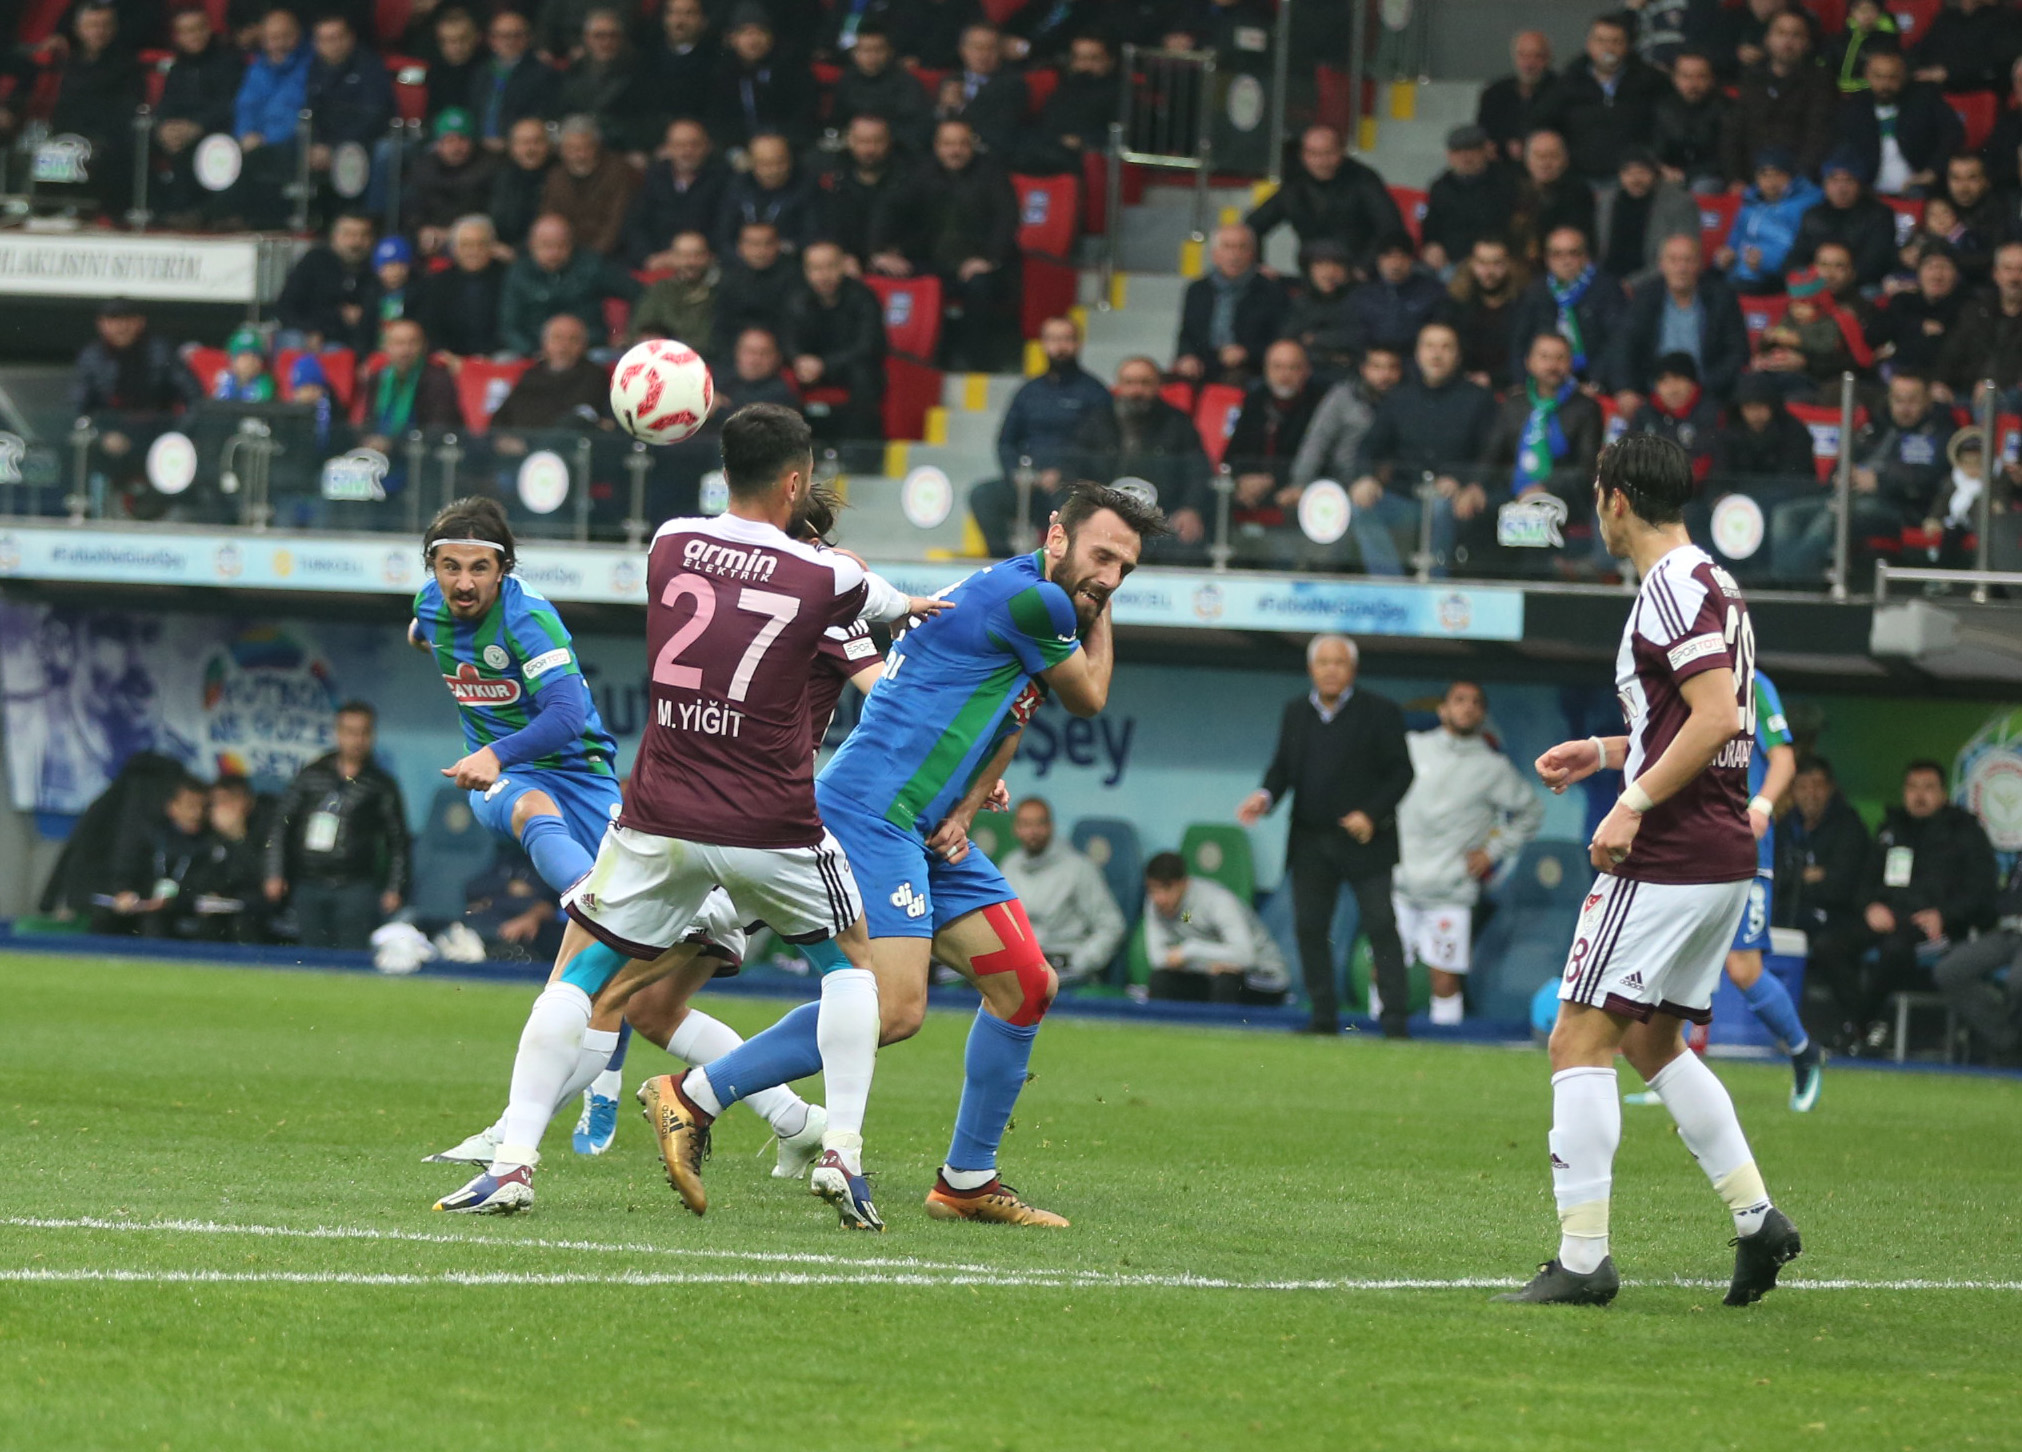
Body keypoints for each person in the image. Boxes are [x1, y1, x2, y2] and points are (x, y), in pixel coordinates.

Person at [433, 404, 936, 1219]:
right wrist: (921, 607)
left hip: (659, 815)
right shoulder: (829, 576)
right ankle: (840, 1150)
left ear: (722, 469)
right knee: (851, 968)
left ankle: (515, 1160)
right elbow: (887, 602)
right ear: (798, 480)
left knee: (581, 975)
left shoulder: (668, 541)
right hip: (772, 822)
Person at [645, 479, 1164, 1230]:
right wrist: (1099, 607)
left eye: (1125, 571)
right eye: (1102, 557)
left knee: (1024, 985)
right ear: (1057, 536)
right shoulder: (1040, 604)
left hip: (920, 827)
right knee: (892, 1009)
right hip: (870, 815)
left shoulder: (1028, 600)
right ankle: (692, 1096)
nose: (1109, 578)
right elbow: (1088, 697)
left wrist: (963, 804)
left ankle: (966, 1180)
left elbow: (1011, 716)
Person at [411, 495, 824, 1167]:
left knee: (649, 1009)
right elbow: (424, 625)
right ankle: (517, 1128)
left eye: (478, 568)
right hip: (514, 782)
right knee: (531, 831)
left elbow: (569, 715)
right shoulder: (430, 606)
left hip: (582, 778)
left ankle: (794, 1117)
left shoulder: (530, 621)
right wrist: (492, 758)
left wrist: (494, 751)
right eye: (448, 567)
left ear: (504, 568)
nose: (461, 583)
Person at [1504, 432, 1801, 1308]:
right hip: (1717, 851)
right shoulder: (1711, 581)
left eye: (1597, 493)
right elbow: (1702, 719)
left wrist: (1631, 805)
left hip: (1669, 849)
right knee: (1650, 1040)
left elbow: (1712, 720)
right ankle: (1757, 1221)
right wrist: (1606, 752)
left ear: (1616, 499)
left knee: (1576, 1038)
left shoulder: (1669, 587)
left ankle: (1585, 1260)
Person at [1236, 634, 1413, 1038]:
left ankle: (1395, 1021)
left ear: (1352, 669)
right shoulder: (1296, 712)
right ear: (1311, 669)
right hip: (1311, 841)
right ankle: (1323, 1017)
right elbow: (1281, 769)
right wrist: (1264, 798)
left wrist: (1371, 813)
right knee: (1310, 929)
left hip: (1368, 842)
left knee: (1381, 926)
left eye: (1339, 662)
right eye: (1323, 662)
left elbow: (1402, 772)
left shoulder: (1380, 711)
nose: (1331, 669)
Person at [1811, 759, 1998, 1056]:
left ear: (1944, 794)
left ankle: (1859, 1027)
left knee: (1895, 949)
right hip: (1887, 916)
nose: (1919, 796)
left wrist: (1944, 915)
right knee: (1827, 945)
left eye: (1928, 788)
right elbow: (1864, 882)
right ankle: (1869, 1026)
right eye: (1912, 787)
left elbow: (1982, 892)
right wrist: (1870, 906)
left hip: (1936, 928)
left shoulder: (1965, 832)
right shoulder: (1892, 828)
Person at [1389, 680, 1542, 1025]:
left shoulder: (1493, 767)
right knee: (1383, 970)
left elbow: (1531, 811)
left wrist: (1492, 852)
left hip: (1451, 891)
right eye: (1459, 700)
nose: (1467, 707)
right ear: (1442, 709)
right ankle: (1370, 1043)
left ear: (1483, 714)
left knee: (1443, 978)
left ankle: (1445, 1048)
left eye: (1475, 702)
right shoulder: (1410, 747)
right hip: (1398, 884)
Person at [1704, 672, 1821, 1110]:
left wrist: (1763, 806)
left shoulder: (1751, 681)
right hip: (1692, 836)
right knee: (1682, 955)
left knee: (1742, 967)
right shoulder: (1684, 670)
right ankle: (1678, 1069)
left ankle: (1802, 1050)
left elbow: (1783, 759)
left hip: (1745, 842)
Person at [867, 118, 1019, 372]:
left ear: (972, 145)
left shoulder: (992, 173)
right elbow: (888, 208)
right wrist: (879, 252)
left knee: (980, 286)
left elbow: (1006, 219)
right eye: (948, 144)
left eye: (961, 144)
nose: (955, 151)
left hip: (978, 262)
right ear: (937, 146)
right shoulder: (920, 172)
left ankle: (977, 366)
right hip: (929, 261)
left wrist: (989, 259)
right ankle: (910, 363)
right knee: (884, 275)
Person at [1771, 369, 1949, 583]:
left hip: (1901, 508)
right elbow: (1843, 461)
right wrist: (1840, 474)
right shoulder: (1875, 426)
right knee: (1785, 515)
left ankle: (1794, 586)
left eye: (1912, 401)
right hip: (1848, 497)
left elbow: (1934, 479)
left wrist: (1879, 481)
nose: (1904, 408)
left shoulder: (1939, 432)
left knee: (1830, 521)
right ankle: (1785, 583)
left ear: (1927, 400)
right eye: (1898, 400)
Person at [1349, 322, 1496, 576]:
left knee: (1439, 506)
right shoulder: (1398, 398)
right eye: (1429, 346)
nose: (1436, 354)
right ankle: (1390, 589)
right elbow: (1369, 447)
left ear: (1458, 355)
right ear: (1418, 354)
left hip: (1452, 501)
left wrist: (1466, 482)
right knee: (1360, 506)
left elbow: (1491, 453)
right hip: (1405, 499)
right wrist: (1365, 478)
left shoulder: (1479, 399)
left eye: (1445, 347)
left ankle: (1436, 587)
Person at [263, 700, 410, 952]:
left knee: (352, 956)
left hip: (356, 886)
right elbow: (281, 825)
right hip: (308, 881)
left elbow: (398, 841)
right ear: (338, 733)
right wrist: (274, 872)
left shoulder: (380, 784)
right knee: (311, 956)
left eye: (364, 732)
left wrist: (394, 888)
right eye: (351, 732)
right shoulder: (312, 775)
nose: (357, 740)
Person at [971, 315, 1113, 555]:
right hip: (1029, 485)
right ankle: (1004, 565)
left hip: (1073, 488)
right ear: (1043, 344)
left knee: (1067, 512)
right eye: (1053, 339)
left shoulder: (1095, 393)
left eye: (1067, 339)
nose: (1060, 347)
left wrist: (1063, 473)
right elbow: (1006, 441)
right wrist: (1016, 473)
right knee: (983, 496)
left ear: (1078, 344)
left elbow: (1102, 448)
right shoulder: (1028, 391)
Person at [1073, 355, 1212, 546]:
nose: (1137, 390)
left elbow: (1198, 471)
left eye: (1145, 383)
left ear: (1158, 385)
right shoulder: (1096, 421)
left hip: (1164, 516)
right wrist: (1084, 510)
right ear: (1118, 386)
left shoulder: (1178, 423)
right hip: (1103, 514)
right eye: (1129, 383)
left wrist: (1190, 508)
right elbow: (1074, 467)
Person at [1605, 234, 1749, 413]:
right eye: (1673, 260)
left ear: (1700, 264)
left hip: (1708, 395)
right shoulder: (1645, 296)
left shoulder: (1722, 297)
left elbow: (1737, 352)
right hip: (1653, 395)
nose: (1681, 268)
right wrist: (1625, 388)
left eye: (1688, 260)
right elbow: (1623, 345)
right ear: (1661, 264)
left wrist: (1702, 388)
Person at [1243, 125, 1405, 273]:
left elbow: (1390, 226)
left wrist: (1365, 267)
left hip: (1356, 273)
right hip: (1311, 274)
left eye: (1328, 153)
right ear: (1303, 155)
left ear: (1342, 151)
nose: (1321, 162)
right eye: (1313, 154)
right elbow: (1253, 224)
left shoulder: (1363, 179)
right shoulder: (1295, 184)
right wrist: (1258, 267)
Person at [1000, 796, 1126, 985]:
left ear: (1051, 826)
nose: (1033, 832)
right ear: (1015, 829)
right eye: (1025, 824)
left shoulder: (1078, 868)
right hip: (1019, 962)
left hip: (1063, 963)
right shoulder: (1008, 866)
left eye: (1040, 824)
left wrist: (1080, 962)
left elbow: (1112, 925)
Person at [1533, 12, 1668, 184]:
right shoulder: (1568, 82)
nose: (1608, 48)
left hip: (1632, 180)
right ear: (1589, 44)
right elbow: (1539, 121)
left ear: (1627, 46)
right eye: (1601, 41)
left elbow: (1666, 125)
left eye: (1615, 41)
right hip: (1579, 179)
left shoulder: (1651, 81)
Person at [1141, 851, 1290, 1006]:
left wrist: (1190, 950)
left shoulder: (1218, 901)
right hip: (1209, 975)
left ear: (1183, 883)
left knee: (1226, 981)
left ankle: (1226, 1030)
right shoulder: (1157, 906)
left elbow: (1245, 956)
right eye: (1153, 890)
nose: (1159, 898)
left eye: (1166, 888)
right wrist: (1209, 962)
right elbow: (1158, 959)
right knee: (1161, 979)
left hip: (1263, 976)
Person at [780, 240, 886, 441]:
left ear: (843, 266)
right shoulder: (796, 298)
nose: (824, 275)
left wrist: (825, 365)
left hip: (850, 366)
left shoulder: (863, 297)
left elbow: (869, 345)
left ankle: (858, 452)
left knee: (864, 376)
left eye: (831, 266)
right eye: (817, 268)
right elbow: (787, 340)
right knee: (779, 382)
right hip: (810, 368)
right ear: (806, 271)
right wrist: (798, 360)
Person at [498, 213, 640, 357]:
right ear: (532, 245)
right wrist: (533, 351)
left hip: (589, 350)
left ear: (571, 244)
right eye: (546, 245)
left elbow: (639, 293)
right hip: (535, 352)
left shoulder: (591, 267)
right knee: (503, 362)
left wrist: (632, 333)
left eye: (561, 245)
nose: (553, 253)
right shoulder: (519, 273)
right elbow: (509, 325)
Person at [1722, 10, 1837, 186]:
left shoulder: (1820, 81)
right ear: (1767, 39)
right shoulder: (1751, 78)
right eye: (1781, 33)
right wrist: (1735, 178)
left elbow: (1818, 136)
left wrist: (1796, 179)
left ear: (1807, 43)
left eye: (1796, 35)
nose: (1788, 41)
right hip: (1751, 176)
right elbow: (1734, 131)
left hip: (1798, 179)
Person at [152, 4, 244, 224]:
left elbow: (229, 104)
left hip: (215, 129)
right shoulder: (177, 67)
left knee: (197, 146)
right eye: (186, 31)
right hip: (179, 130)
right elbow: (166, 103)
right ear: (178, 36)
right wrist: (164, 127)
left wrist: (196, 126)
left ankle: (193, 213)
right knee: (138, 141)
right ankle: (152, 209)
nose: (193, 36)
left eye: (198, 29)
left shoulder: (229, 61)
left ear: (208, 29)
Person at [92, 774, 211, 938]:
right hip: (144, 901)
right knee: (104, 918)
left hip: (181, 907)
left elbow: (204, 882)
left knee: (156, 922)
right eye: (191, 806)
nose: (197, 814)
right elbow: (128, 869)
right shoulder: (151, 836)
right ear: (172, 807)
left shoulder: (210, 842)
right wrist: (125, 891)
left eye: (203, 807)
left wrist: (173, 901)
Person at [1777, 756, 1870, 962]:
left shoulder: (1849, 826)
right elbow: (1774, 880)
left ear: (1831, 788)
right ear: (1792, 791)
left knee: (1828, 945)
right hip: (1787, 915)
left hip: (1836, 918)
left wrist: (1794, 881)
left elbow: (1840, 886)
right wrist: (1806, 876)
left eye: (1818, 785)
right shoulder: (1785, 826)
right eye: (1802, 786)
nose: (1811, 794)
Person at [1508, 226, 1624, 389]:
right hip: (1544, 382)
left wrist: (1595, 382)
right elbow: (1519, 343)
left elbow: (1616, 342)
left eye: (1573, 253)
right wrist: (1521, 383)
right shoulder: (1535, 292)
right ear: (1547, 259)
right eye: (1557, 254)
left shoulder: (1606, 289)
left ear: (1585, 257)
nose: (1566, 261)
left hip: (1594, 381)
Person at [1173, 224, 1288, 386]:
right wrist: (1186, 356)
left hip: (1251, 369)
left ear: (1252, 254)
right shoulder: (1197, 290)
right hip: (1203, 366)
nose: (1235, 255)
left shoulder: (1270, 291)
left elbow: (1280, 340)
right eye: (1227, 247)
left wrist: (1246, 353)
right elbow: (1186, 334)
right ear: (1215, 254)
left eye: (1242, 247)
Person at [1838, 48, 1962, 198]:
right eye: (1878, 76)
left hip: (1919, 190)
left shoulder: (1924, 98)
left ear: (1904, 76)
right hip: (1868, 193)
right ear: (1867, 76)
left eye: (1893, 77)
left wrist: (1932, 171)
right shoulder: (1855, 106)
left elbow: (1954, 133)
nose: (1885, 84)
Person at [1225, 339, 1322, 526]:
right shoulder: (1255, 400)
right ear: (1266, 370)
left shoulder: (1318, 404)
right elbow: (1233, 453)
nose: (1284, 375)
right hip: (1251, 493)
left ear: (1306, 371)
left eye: (1292, 368)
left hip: (1296, 491)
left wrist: (1271, 479)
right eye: (1277, 367)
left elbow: (1317, 458)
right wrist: (1243, 480)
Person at [231, 8, 312, 227]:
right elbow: (245, 106)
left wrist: (267, 139)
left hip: (291, 143)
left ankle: (226, 216)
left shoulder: (310, 66)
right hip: (256, 141)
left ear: (297, 36)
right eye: (271, 38)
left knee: (259, 158)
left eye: (284, 37)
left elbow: (302, 114)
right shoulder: (257, 67)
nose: (278, 44)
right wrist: (246, 133)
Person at [1932, 870, 2022, 1062]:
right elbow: (2006, 897)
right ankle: (2007, 1041)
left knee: (2018, 982)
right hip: (2008, 931)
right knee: (1950, 971)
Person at [706, 2, 816, 149]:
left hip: (785, 147)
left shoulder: (792, 70)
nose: (753, 40)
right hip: (741, 148)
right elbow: (719, 122)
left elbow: (803, 118)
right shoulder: (722, 73)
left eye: (760, 32)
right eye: (745, 32)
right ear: (732, 39)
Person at [625, 119, 731, 269]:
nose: (687, 151)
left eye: (694, 145)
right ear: (668, 148)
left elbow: (726, 226)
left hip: (706, 262)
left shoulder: (724, 177)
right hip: (659, 261)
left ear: (707, 146)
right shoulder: (653, 177)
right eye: (679, 145)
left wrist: (696, 256)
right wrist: (648, 257)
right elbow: (635, 224)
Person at [303, 14, 391, 193]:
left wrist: (336, 146)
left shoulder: (370, 66)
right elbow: (310, 112)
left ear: (350, 38)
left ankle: (367, 215)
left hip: (363, 140)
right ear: (316, 44)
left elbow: (373, 116)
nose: (332, 45)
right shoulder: (315, 69)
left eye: (336, 38)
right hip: (326, 144)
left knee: (382, 152)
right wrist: (316, 143)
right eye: (325, 39)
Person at [1717, 148, 1822, 294]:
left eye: (1778, 175)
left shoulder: (1805, 204)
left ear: (1791, 176)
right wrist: (1727, 254)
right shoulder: (1750, 201)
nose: (1771, 182)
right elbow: (1736, 235)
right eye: (1764, 175)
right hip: (1741, 274)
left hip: (1779, 279)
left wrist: (1766, 262)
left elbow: (1800, 251)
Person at [1786, 151, 1897, 287]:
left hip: (1860, 285)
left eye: (1848, 180)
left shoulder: (1879, 215)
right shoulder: (1812, 215)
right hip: (1817, 283)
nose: (1841, 188)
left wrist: (1841, 278)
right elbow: (1797, 255)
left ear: (1860, 185)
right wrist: (1805, 276)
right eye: (1833, 180)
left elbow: (1875, 260)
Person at [1593, 149, 1701, 288]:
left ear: (1655, 174)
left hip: (1655, 283)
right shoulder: (1607, 201)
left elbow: (1684, 255)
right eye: (1629, 173)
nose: (1635, 179)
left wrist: (1632, 284)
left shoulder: (1680, 203)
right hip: (1606, 281)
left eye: (1642, 172)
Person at [276, 211, 379, 353]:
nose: (356, 242)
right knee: (294, 343)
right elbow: (285, 307)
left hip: (342, 341)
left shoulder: (376, 269)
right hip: (304, 332)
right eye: (349, 235)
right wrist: (311, 330)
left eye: (363, 235)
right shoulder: (314, 261)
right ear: (334, 236)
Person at [489, 314, 612, 433]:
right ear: (544, 343)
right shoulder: (531, 374)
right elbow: (500, 418)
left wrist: (527, 443)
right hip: (514, 448)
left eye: (573, 339)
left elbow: (573, 420)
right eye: (557, 338)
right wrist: (502, 439)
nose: (564, 346)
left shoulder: (593, 376)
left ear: (584, 345)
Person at [1019, 31, 1119, 175]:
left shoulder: (1118, 94)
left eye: (1093, 59)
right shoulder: (1065, 88)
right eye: (1080, 58)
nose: (1085, 66)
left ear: (1110, 61)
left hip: (1086, 158)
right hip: (1051, 147)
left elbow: (1118, 134)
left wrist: (1083, 141)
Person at [1419, 125, 1516, 273]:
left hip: (1494, 261)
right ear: (1449, 155)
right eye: (1458, 151)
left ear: (1485, 151)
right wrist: (1431, 247)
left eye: (1472, 150)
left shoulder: (1505, 183)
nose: (1465, 157)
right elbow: (1430, 227)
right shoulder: (1440, 187)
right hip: (1450, 262)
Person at [185, 775, 270, 944]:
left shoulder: (265, 830)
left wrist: (238, 837)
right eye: (214, 804)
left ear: (243, 803)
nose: (217, 810)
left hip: (254, 905)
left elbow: (260, 877)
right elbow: (199, 875)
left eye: (224, 802)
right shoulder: (210, 837)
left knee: (243, 924)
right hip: (219, 905)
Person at [540, 114, 640, 258]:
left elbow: (616, 223)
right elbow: (549, 218)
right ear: (561, 150)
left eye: (585, 148)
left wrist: (591, 259)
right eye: (571, 149)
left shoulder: (618, 172)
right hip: (564, 255)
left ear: (596, 146)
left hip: (611, 255)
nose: (579, 155)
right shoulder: (555, 177)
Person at [404, 108, 502, 255]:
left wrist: (453, 233)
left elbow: (494, 213)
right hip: (431, 242)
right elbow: (412, 212)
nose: (456, 148)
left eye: (462, 139)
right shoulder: (423, 168)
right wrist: (422, 230)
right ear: (438, 144)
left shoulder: (490, 167)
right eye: (449, 140)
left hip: (477, 242)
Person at [356, 318, 460, 453]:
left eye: (413, 343)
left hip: (419, 458)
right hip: (377, 455)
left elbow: (438, 432)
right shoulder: (378, 378)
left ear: (424, 346)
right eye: (398, 343)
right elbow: (368, 423)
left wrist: (392, 444)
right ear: (386, 347)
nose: (405, 351)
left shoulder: (438, 380)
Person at [557, 7, 653, 152]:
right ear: (587, 38)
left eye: (612, 35)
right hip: (579, 148)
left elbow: (647, 122)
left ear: (622, 38)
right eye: (599, 36)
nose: (606, 42)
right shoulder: (573, 72)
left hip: (623, 149)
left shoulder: (641, 72)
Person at [1938, 241, 2022, 405]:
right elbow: (1953, 351)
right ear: (1996, 274)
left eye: (2021, 270)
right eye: (2008, 269)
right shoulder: (1976, 310)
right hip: (1968, 392)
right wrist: (1939, 382)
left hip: (2010, 398)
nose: (2014, 278)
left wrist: (1994, 386)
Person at [818, 114, 906, 266]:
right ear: (849, 141)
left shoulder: (907, 178)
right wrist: (841, 255)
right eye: (863, 141)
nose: (870, 149)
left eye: (877, 141)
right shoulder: (833, 179)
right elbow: (823, 227)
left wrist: (897, 253)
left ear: (889, 141)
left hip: (895, 264)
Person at [1342, 235, 1447, 360]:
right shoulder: (1362, 295)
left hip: (1417, 363)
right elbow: (1354, 335)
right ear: (1378, 260)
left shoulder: (1432, 292)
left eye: (1401, 257)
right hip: (1373, 364)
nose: (1395, 263)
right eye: (1388, 257)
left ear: (1410, 260)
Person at [419, 215, 510, 358]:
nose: (473, 252)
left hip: (497, 358)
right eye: (466, 245)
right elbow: (432, 330)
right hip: (451, 360)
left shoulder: (507, 278)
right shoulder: (439, 282)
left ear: (492, 247)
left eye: (481, 244)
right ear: (454, 249)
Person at [714, 131, 817, 256]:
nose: (772, 170)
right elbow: (724, 236)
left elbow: (812, 236)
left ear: (790, 160)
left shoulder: (806, 188)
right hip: (741, 264)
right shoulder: (736, 187)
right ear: (751, 163)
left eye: (780, 163)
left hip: (791, 262)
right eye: (764, 164)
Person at [830, 25, 931, 151]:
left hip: (893, 149)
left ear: (890, 52)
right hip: (852, 148)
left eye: (878, 50)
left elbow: (914, 129)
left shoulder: (907, 83)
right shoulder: (846, 80)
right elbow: (837, 122)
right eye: (865, 50)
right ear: (854, 53)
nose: (871, 56)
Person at [1506, 130, 1595, 269]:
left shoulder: (1578, 192)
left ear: (1565, 160)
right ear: (1527, 159)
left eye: (1553, 156)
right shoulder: (1511, 189)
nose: (1545, 163)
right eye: (1539, 156)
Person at [1874, 245, 1965, 380]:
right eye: (1930, 267)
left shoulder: (1966, 307)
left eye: (1944, 268)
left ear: (1956, 275)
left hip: (1943, 381)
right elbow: (1876, 332)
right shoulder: (1902, 301)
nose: (1937, 276)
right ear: (1918, 273)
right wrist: (1919, 326)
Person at [473, 8, 558, 151]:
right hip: (479, 149)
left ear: (528, 38)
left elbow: (541, 115)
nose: (509, 41)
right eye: (503, 36)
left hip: (518, 149)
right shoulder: (481, 72)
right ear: (492, 40)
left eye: (516, 35)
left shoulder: (542, 74)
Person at [1446, 236, 1526, 387]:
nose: (1489, 272)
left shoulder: (1524, 303)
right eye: (1482, 263)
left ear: (1509, 265)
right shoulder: (1455, 304)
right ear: (1471, 264)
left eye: (1497, 263)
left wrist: (1494, 379)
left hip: (1512, 388)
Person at [1628, 352, 1719, 483]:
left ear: (1692, 383)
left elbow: (1711, 462)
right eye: (1663, 381)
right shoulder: (1644, 415)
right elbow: (1630, 459)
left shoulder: (1709, 413)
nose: (1672, 389)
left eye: (1678, 378)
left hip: (1698, 496)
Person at [1278, 239, 1358, 378]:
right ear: (1309, 270)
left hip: (1352, 375)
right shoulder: (1299, 303)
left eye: (1336, 265)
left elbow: (1360, 338)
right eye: (1320, 265)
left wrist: (1316, 339)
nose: (1329, 273)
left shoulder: (1361, 301)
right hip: (1306, 376)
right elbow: (1289, 343)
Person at [1652, 47, 1727, 192]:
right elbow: (1655, 147)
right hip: (1669, 175)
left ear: (1711, 79)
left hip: (1709, 176)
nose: (1693, 84)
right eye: (1686, 76)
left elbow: (1725, 157)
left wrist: (1687, 175)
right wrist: (1662, 168)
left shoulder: (1725, 109)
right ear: (1674, 78)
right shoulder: (1663, 108)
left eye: (1700, 76)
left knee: (1702, 188)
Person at [1909, 0, 2022, 96]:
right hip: (1930, 91)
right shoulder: (1946, 19)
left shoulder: (2008, 20)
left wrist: (1949, 73)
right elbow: (1919, 52)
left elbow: (1998, 63)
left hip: (1976, 92)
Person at [629, 230, 717, 351]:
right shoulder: (661, 289)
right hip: (660, 356)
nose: (690, 262)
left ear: (709, 257)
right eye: (683, 256)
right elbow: (639, 328)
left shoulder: (720, 291)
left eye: (697, 255)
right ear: (672, 258)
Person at [1477, 30, 1554, 164]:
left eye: (1537, 56)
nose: (1529, 63)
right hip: (1502, 170)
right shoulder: (1494, 93)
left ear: (1547, 58)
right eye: (1523, 55)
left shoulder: (1563, 90)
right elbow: (1483, 135)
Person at [717, 326, 799, 411]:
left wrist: (717, 408)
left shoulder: (782, 394)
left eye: (764, 353)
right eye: (749, 351)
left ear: (777, 358)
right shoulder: (721, 380)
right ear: (737, 353)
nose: (755, 360)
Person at [212, 329, 275, 402]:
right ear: (232, 360)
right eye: (244, 355)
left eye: (255, 355)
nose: (250, 361)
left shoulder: (265, 382)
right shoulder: (224, 378)